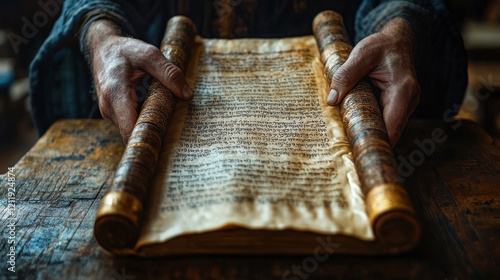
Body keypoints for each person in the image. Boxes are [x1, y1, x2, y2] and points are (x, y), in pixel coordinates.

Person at [30, 0, 467, 146]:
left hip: (328, 120)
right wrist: (101, 35)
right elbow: (90, 4)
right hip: (170, 109)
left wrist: (399, 28)